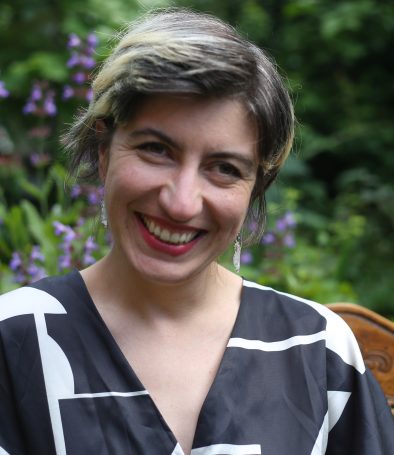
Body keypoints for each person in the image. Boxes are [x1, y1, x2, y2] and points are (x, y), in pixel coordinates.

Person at [0, 8, 393, 455]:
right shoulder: (14, 341)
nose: (182, 202)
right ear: (104, 150)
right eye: (156, 149)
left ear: (254, 190)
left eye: (224, 168)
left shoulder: (319, 349)